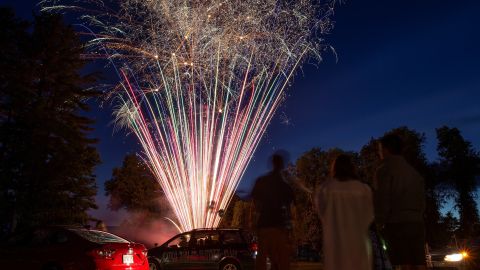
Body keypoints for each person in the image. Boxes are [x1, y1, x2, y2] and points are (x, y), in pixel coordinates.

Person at [374, 134, 426, 270]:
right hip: (417, 222)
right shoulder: (413, 172)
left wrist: (379, 222)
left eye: (379, 149)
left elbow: (383, 199)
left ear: (386, 149)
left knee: (402, 263)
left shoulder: (384, 170)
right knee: (419, 262)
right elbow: (422, 201)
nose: (378, 153)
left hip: (397, 223)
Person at [315, 154, 374, 270]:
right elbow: (369, 215)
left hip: (334, 242)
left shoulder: (324, 190)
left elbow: (322, 213)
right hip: (358, 241)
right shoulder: (363, 190)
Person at [251, 152, 294, 270]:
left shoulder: (262, 181)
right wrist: (290, 229)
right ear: (281, 165)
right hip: (279, 227)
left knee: (262, 260)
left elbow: (255, 202)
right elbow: (289, 209)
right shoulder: (284, 186)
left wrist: (255, 221)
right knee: (281, 260)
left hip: (264, 226)